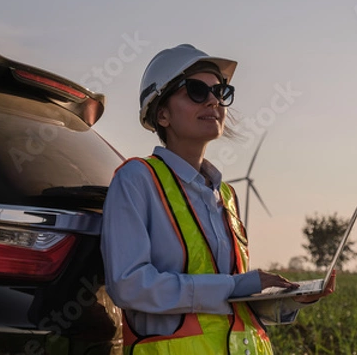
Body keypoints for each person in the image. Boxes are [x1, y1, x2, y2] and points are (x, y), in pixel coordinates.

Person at [101, 44, 334, 355]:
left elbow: (228, 305)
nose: (213, 100)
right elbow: (129, 285)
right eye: (196, 91)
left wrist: (285, 299)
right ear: (163, 114)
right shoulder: (137, 179)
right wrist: (237, 286)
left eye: (221, 92)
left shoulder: (225, 195)